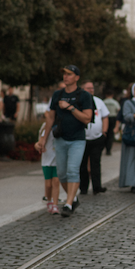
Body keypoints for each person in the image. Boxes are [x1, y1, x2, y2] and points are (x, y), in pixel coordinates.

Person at [38, 65, 94, 217]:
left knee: (72, 170)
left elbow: (87, 118)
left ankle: (68, 204)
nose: (66, 76)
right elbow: (50, 118)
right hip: (60, 138)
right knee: (62, 174)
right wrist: (44, 138)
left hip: (77, 139)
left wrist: (71, 108)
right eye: (64, 74)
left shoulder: (84, 96)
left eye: (69, 74)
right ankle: (73, 197)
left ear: (77, 78)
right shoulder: (57, 94)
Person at [80, 81, 110, 195]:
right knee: (82, 165)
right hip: (83, 138)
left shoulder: (99, 101)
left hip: (97, 138)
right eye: (88, 88)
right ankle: (83, 188)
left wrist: (104, 132)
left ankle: (97, 187)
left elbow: (105, 117)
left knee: (95, 163)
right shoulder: (80, 101)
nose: (91, 90)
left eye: (92, 88)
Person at [35, 120, 61, 214]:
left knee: (56, 182)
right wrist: (38, 146)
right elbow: (38, 142)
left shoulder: (61, 125)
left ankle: (55, 205)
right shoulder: (45, 128)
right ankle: (49, 200)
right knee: (48, 184)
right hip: (47, 160)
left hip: (57, 159)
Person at [103, 89, 120, 156]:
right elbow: (118, 110)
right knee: (110, 134)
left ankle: (104, 147)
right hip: (113, 118)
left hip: (105, 118)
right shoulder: (115, 102)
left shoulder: (104, 102)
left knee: (105, 133)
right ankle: (108, 150)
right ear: (112, 95)